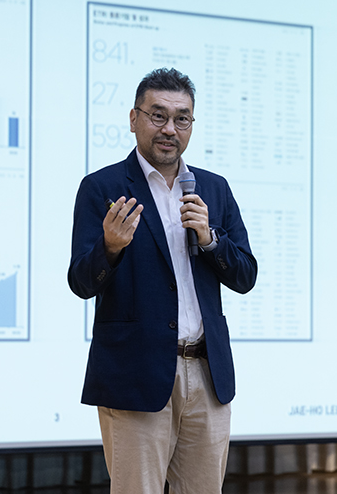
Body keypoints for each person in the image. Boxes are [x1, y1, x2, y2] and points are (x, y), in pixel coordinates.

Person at [68, 67, 258, 494]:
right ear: (134, 119)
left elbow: (246, 275)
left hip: (207, 375)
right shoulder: (102, 187)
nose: (170, 128)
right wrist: (110, 247)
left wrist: (211, 240)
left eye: (182, 118)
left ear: (192, 124)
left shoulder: (214, 188)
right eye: (158, 115)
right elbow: (81, 281)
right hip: (135, 375)